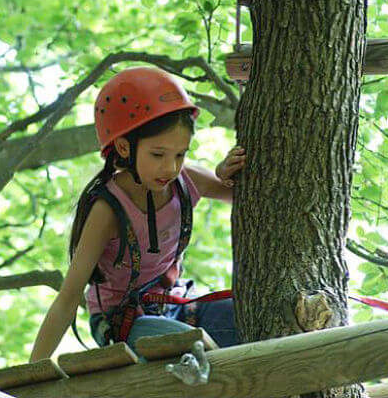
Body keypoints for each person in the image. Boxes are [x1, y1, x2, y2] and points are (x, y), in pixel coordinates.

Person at [29, 67, 246, 362]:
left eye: (180, 154)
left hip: (178, 308)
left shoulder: (185, 180)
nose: (170, 168)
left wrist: (226, 174)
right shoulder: (107, 210)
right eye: (158, 155)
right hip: (126, 324)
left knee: (249, 314)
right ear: (124, 147)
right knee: (189, 348)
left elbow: (244, 195)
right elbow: (68, 298)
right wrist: (32, 372)